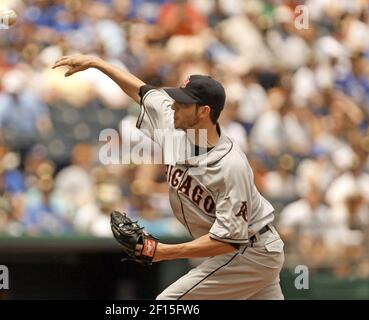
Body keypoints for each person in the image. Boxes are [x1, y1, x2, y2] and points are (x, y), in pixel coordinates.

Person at [53, 54, 284, 300]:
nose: (174, 106)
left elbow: (228, 240)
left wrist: (162, 251)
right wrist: (97, 63)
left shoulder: (230, 166)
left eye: (183, 103)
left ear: (204, 111)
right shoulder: (173, 124)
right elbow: (142, 92)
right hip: (248, 252)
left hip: (249, 251)